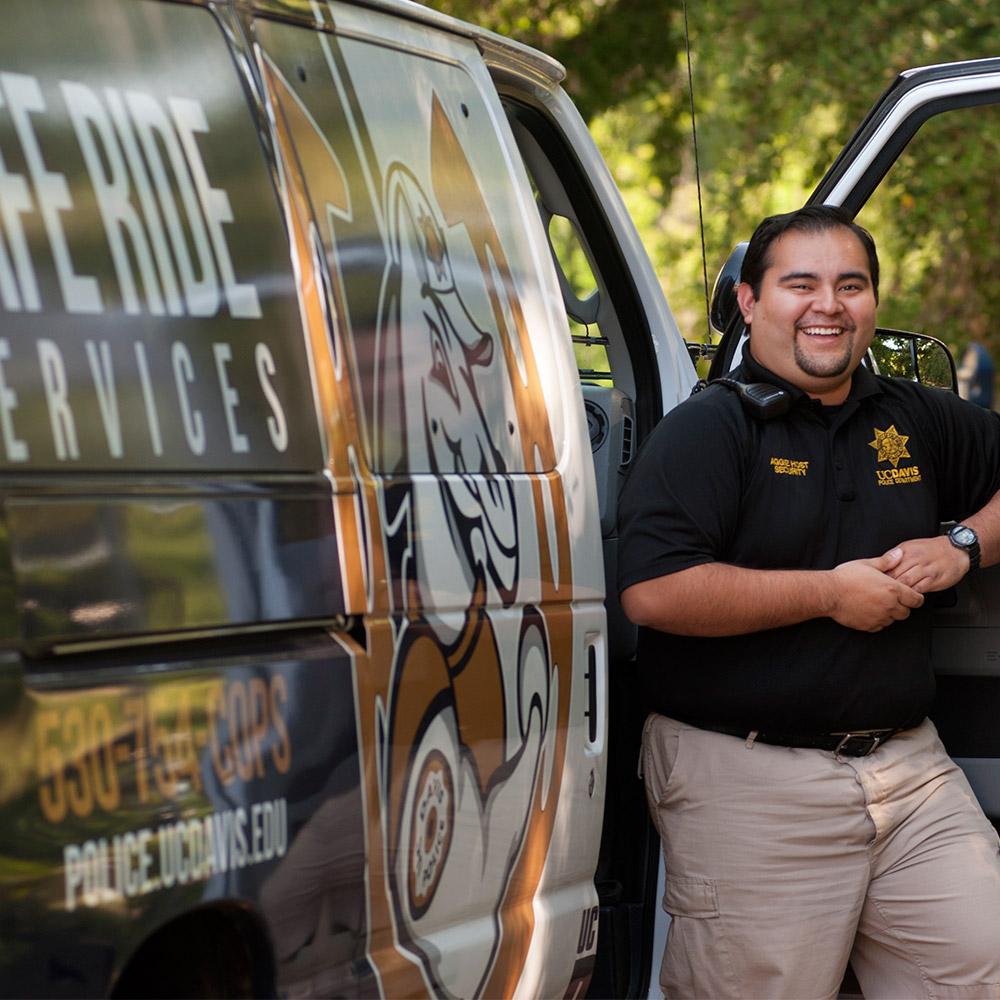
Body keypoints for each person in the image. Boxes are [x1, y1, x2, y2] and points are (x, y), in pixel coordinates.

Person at [618, 205, 1000, 999]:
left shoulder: (913, 415)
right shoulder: (709, 431)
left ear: (872, 305)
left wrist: (961, 546)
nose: (828, 304)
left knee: (980, 967)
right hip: (749, 779)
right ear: (751, 302)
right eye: (801, 284)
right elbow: (655, 592)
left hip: (911, 774)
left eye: (849, 285)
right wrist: (832, 594)